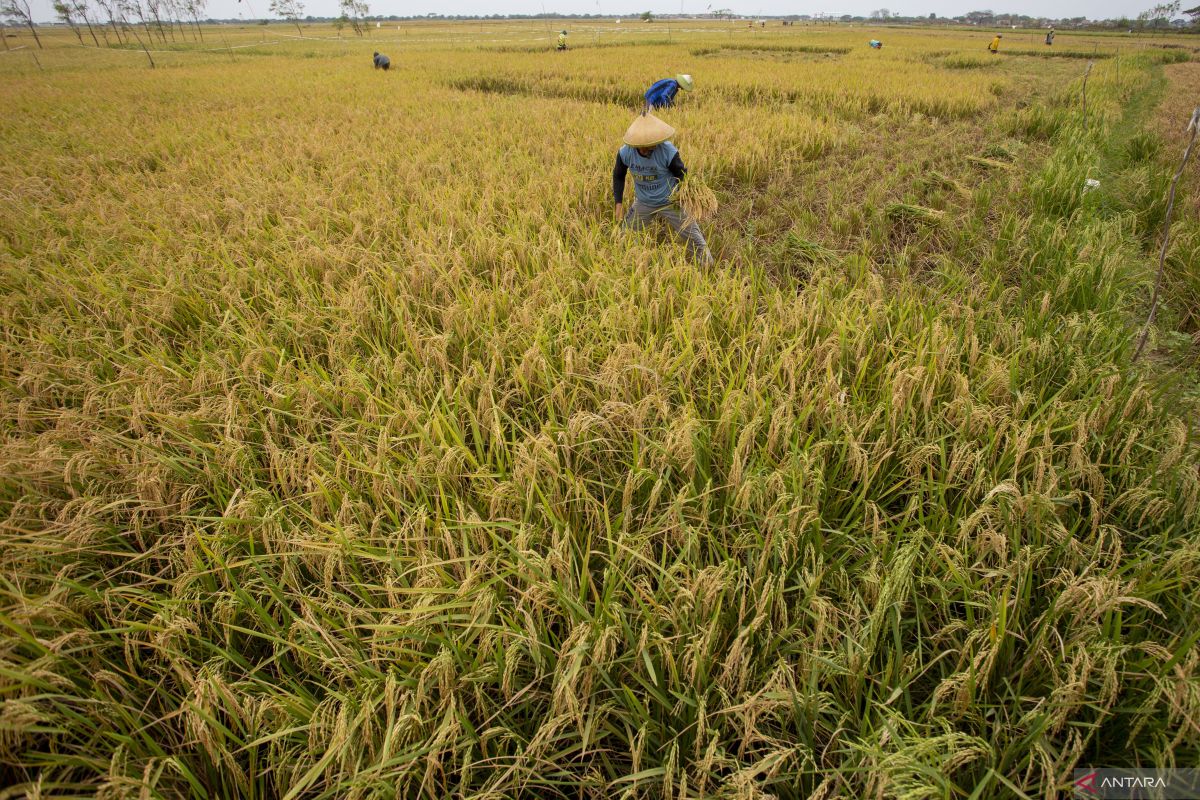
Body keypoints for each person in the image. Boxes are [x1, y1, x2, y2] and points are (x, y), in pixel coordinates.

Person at [613, 112, 713, 265]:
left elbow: (682, 176)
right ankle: (628, 265)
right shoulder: (625, 153)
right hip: (643, 202)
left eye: (653, 143)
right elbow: (618, 176)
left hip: (670, 201)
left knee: (695, 239)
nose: (650, 148)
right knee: (624, 236)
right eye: (645, 146)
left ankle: (707, 267)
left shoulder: (668, 151)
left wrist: (687, 198)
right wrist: (618, 204)